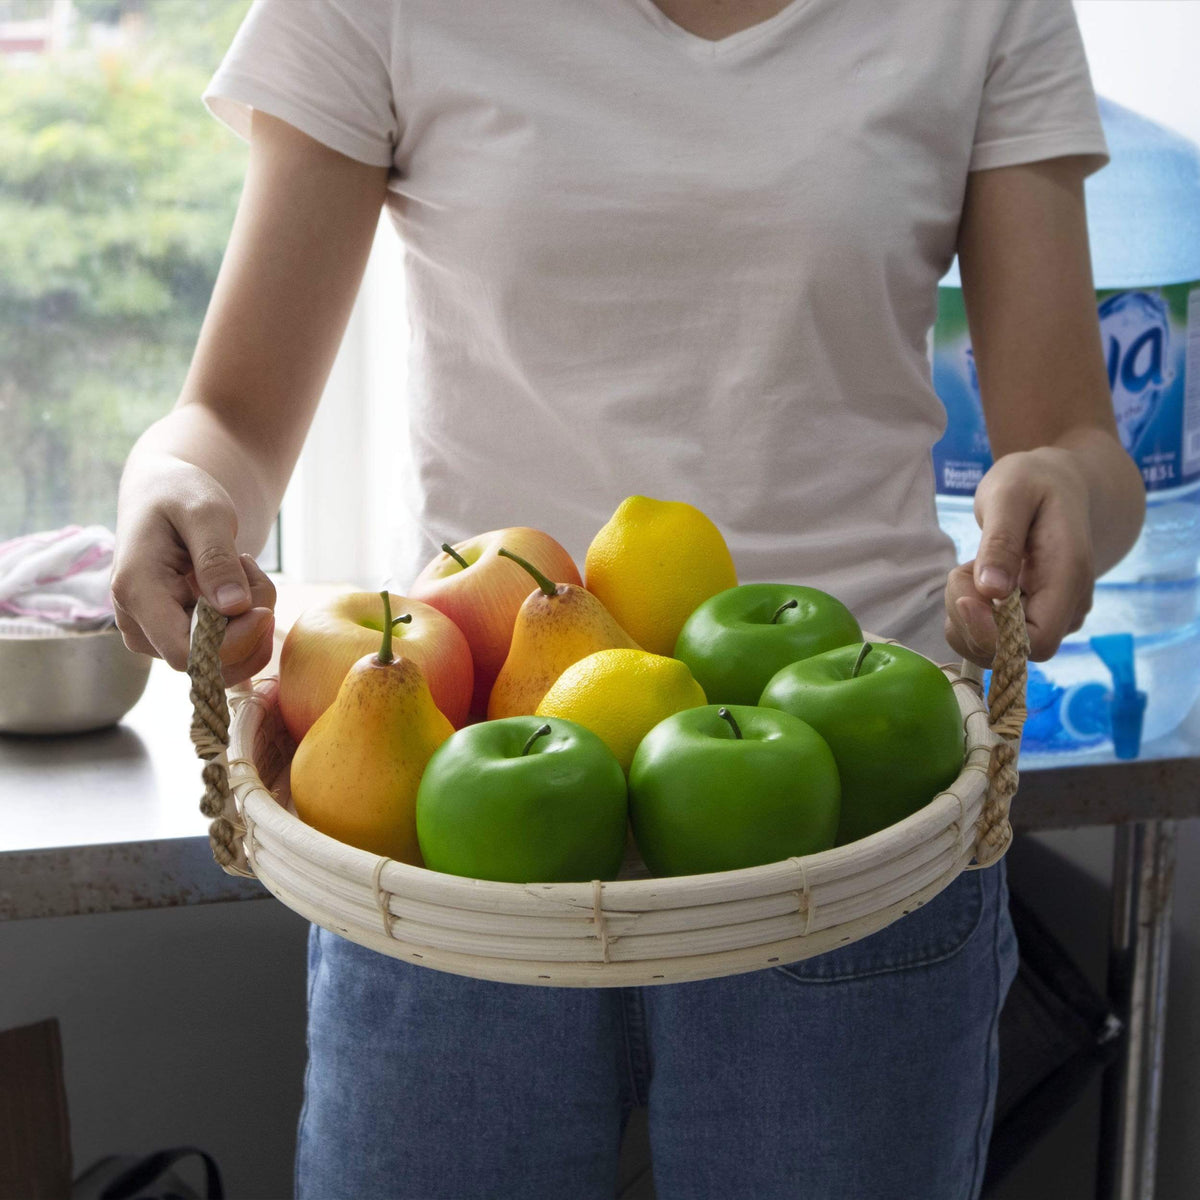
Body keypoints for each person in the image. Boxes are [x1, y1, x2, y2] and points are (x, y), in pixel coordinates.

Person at [111, 1, 1147, 1197]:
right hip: (458, 823)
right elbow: (228, 419)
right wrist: (169, 486)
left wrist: (1067, 494)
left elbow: (1077, 441)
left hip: (857, 817)